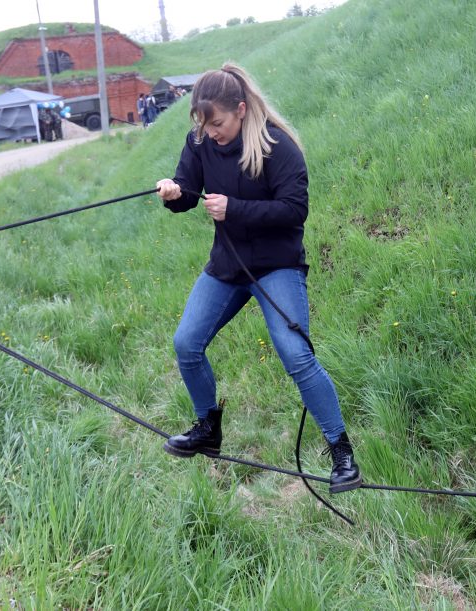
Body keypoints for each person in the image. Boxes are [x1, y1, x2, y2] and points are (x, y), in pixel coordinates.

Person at [155, 63, 363, 494]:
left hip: (277, 266)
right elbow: (187, 191)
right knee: (186, 343)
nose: (211, 132)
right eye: (204, 124)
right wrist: (173, 192)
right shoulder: (200, 143)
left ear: (242, 110)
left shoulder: (278, 146)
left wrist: (235, 209)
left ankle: (342, 453)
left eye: (218, 123)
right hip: (227, 266)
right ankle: (207, 426)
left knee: (295, 354)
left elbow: (294, 210)